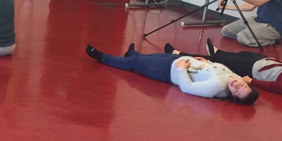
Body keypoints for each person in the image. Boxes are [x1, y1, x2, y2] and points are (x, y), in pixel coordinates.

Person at [165, 39, 282, 104]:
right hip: (266, 62)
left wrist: (252, 82)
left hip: (257, 71)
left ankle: (179, 54)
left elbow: (274, 87)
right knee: (238, 54)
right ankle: (218, 51)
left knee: (218, 62)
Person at [85, 44, 258, 104]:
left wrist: (181, 68)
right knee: (150, 57)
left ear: (233, 97)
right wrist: (207, 62)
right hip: (177, 60)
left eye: (236, 92)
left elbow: (187, 87)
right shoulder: (235, 76)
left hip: (169, 70)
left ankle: (102, 57)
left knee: (135, 64)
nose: (236, 85)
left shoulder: (216, 87)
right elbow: (218, 69)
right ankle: (131, 53)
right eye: (242, 86)